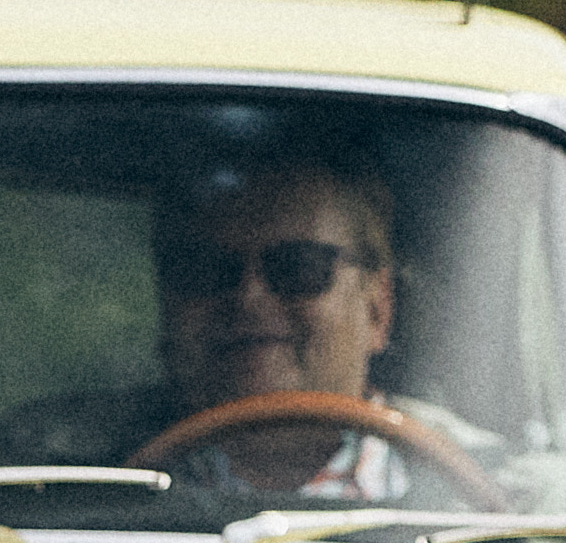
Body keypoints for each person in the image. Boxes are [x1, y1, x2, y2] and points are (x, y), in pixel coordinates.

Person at [144, 151, 441, 502]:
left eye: (298, 267)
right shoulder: (90, 477)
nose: (249, 298)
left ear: (378, 308)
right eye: (207, 270)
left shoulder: (495, 496)